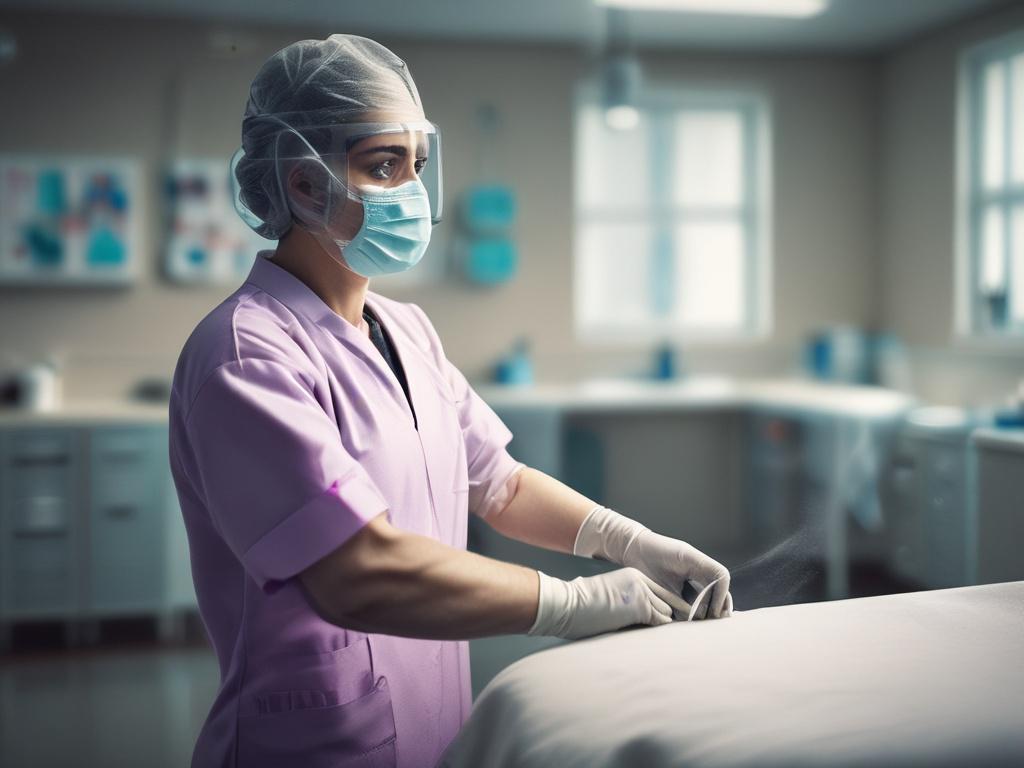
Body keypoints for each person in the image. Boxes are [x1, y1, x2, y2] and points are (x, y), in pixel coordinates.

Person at [168, 33, 733, 768]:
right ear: (303, 184)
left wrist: (628, 541)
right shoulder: (247, 356)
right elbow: (356, 571)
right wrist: (572, 604)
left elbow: (499, 483)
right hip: (313, 743)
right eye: (381, 165)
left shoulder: (405, 329)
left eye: (417, 166)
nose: (409, 190)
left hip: (433, 723)